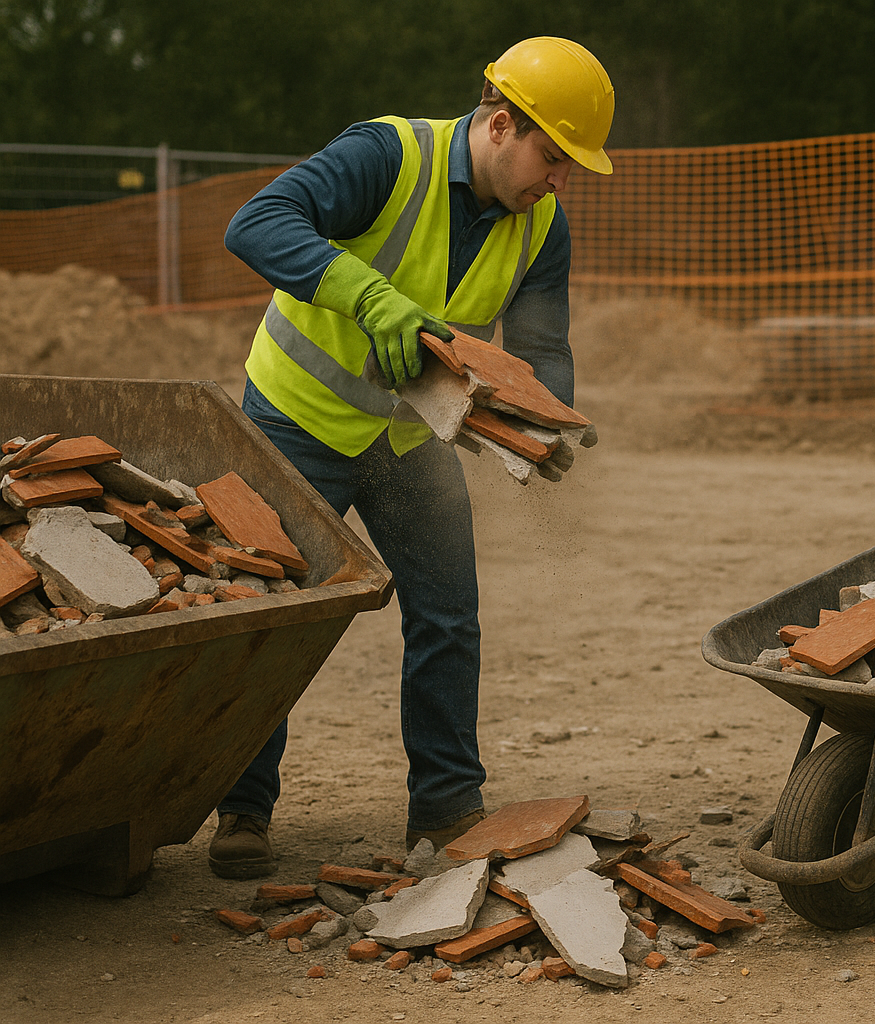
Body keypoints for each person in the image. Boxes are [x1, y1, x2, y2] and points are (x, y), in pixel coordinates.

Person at [208, 37, 615, 878]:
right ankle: (243, 807)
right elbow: (253, 224)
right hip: (295, 418)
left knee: (446, 614)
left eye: (571, 166)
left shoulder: (542, 225)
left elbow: (543, 347)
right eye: (553, 157)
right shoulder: (388, 156)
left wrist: (544, 423)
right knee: (273, 616)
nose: (558, 180)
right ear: (501, 125)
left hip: (402, 438)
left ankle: (444, 807)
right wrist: (368, 295)